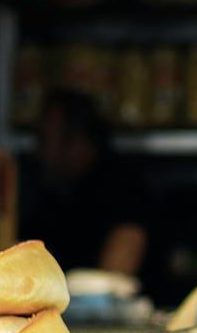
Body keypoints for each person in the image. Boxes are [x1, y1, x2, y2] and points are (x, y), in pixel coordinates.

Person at [18, 88, 150, 279]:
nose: (37, 150)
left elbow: (115, 277)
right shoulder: (49, 192)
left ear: (76, 142)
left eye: (44, 139)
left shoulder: (122, 187)